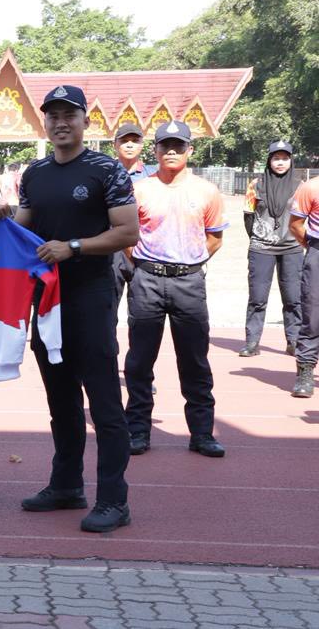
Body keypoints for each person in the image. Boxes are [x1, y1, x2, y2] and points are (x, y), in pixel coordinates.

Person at [0, 85, 139, 533]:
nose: (59, 122)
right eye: (52, 115)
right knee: (61, 399)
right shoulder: (33, 173)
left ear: (84, 120)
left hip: (90, 297)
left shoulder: (106, 170)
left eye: (68, 114)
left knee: (105, 403)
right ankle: (66, 485)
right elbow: (25, 229)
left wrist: (73, 248)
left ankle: (114, 500)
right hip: (45, 302)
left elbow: (127, 232)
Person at [123, 121, 228, 459]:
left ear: (189, 151)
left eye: (178, 146)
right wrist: (144, 265)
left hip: (189, 283)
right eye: (164, 145)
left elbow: (214, 237)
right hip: (147, 281)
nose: (171, 151)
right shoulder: (139, 189)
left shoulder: (206, 191)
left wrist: (188, 263)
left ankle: (202, 434)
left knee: (195, 359)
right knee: (139, 360)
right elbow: (127, 237)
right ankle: (138, 431)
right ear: (153, 150)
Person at [240, 141, 301, 357]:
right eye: (276, 158)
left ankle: (294, 340)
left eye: (285, 158)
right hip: (261, 248)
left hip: (292, 248)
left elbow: (306, 218)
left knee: (293, 297)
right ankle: (252, 342)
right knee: (257, 297)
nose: (280, 162)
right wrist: (260, 237)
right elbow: (248, 215)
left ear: (291, 160)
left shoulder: (300, 186)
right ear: (269, 160)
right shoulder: (255, 185)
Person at [110, 123, 158, 310]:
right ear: (115, 145)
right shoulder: (104, 173)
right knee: (108, 310)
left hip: (143, 250)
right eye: (124, 141)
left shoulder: (152, 175)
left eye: (135, 140)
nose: (129, 145)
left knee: (142, 313)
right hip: (113, 250)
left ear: (142, 145)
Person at [288, 171, 319, 398]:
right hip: (317, 251)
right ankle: (305, 370)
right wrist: (311, 246)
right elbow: (296, 224)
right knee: (313, 314)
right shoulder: (311, 187)